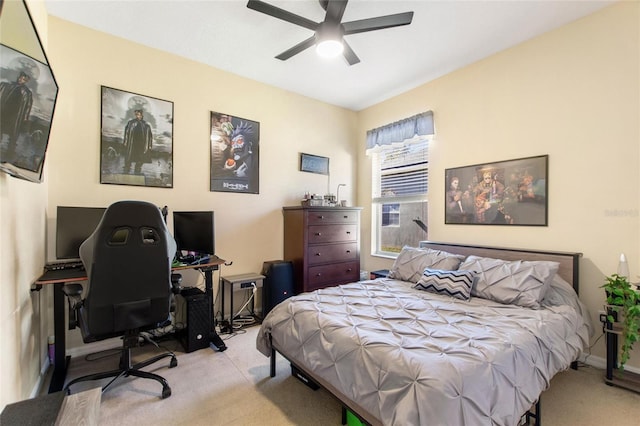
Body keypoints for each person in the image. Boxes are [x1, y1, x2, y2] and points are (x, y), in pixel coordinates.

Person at [0, 71, 33, 158]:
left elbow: (28, 106)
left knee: (13, 135)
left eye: (24, 79)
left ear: (26, 81)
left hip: (15, 115)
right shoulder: (6, 85)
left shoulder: (27, 93)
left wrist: (26, 117)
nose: (21, 80)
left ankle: (9, 153)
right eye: (21, 77)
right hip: (3, 112)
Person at [122, 109, 153, 174]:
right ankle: (126, 172)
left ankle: (137, 173)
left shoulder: (146, 125)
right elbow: (127, 132)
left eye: (139, 114)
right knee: (128, 160)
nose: (137, 116)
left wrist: (149, 145)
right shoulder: (131, 123)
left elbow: (149, 136)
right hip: (132, 143)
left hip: (141, 144)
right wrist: (125, 141)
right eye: (136, 114)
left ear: (141, 115)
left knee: (139, 160)